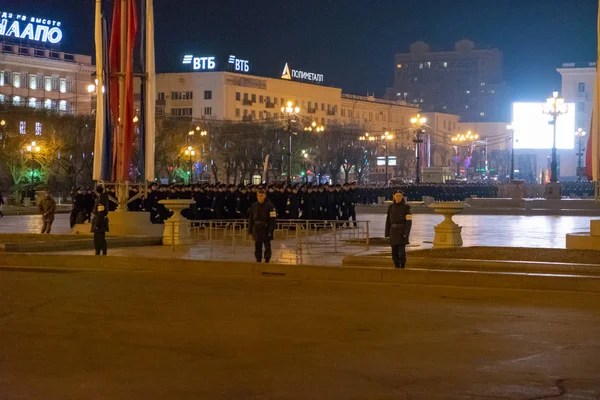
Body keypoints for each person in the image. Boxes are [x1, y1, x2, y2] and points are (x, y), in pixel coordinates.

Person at [384, 190, 412, 269]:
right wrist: (387, 233)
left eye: (400, 196)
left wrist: (406, 233)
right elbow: (388, 220)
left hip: (401, 231)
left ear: (402, 197)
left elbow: (409, 221)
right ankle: (396, 266)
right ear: (394, 196)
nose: (398, 197)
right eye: (396, 196)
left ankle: (402, 266)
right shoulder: (391, 207)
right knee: (394, 253)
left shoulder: (406, 207)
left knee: (401, 253)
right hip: (393, 231)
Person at [248, 189, 277, 263]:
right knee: (257, 245)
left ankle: (267, 258)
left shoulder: (270, 206)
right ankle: (258, 259)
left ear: (265, 196)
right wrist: (250, 230)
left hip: (266, 228)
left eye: (261, 195)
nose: (259, 197)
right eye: (258, 196)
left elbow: (272, 220)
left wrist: (271, 231)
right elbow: (251, 218)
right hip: (256, 228)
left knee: (267, 245)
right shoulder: (254, 205)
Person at [91, 186, 110, 255]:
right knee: (98, 238)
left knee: (99, 238)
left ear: (96, 191)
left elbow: (100, 213)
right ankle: (99, 250)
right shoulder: (100, 198)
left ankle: (101, 251)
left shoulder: (101, 200)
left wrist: (97, 224)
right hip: (100, 222)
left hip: (100, 223)